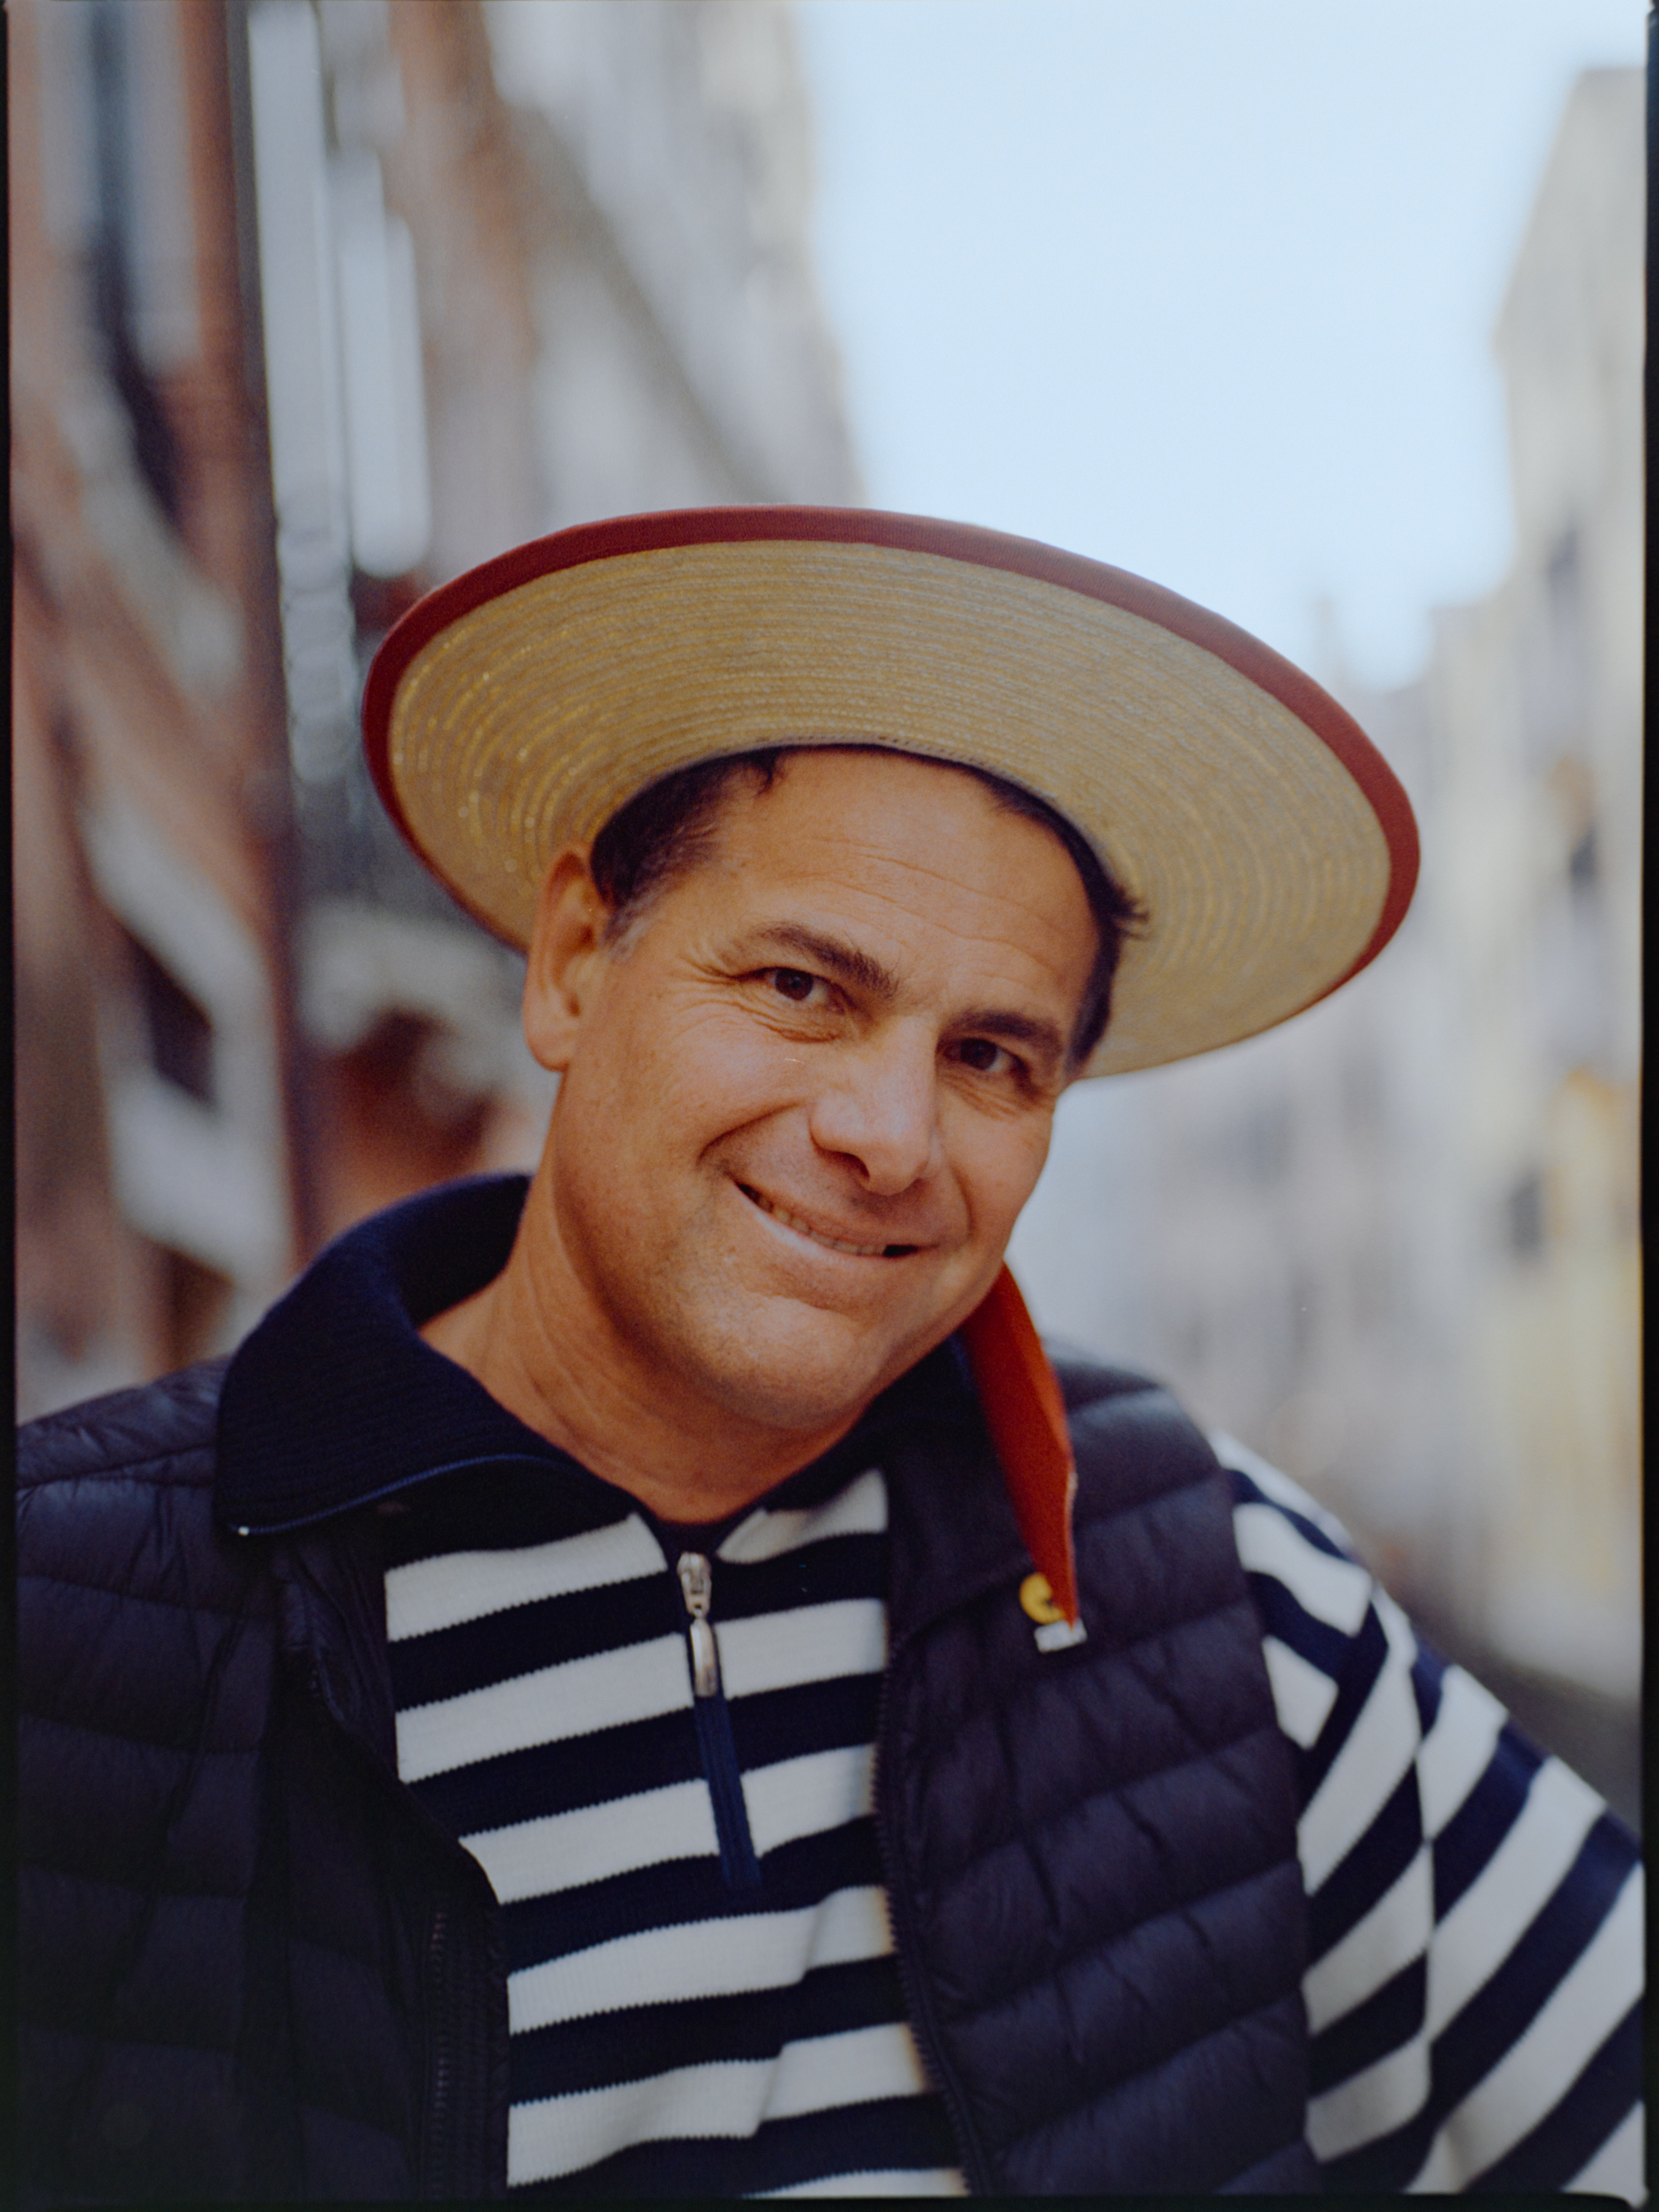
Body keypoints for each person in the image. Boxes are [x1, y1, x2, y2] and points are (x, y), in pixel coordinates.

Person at [18, 510, 1640, 2203]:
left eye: (993, 1057)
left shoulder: (1217, 1593)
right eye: (801, 985)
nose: (889, 1135)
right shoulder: (64, 1622)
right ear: (572, 966)